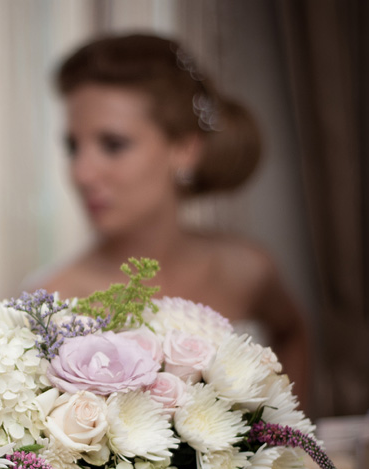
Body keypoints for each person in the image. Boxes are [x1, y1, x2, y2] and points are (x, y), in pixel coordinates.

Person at [31, 33, 310, 406]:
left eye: (113, 145)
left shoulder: (246, 269)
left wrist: (288, 430)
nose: (81, 173)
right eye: (73, 147)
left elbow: (292, 333)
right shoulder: (57, 301)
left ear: (184, 149)